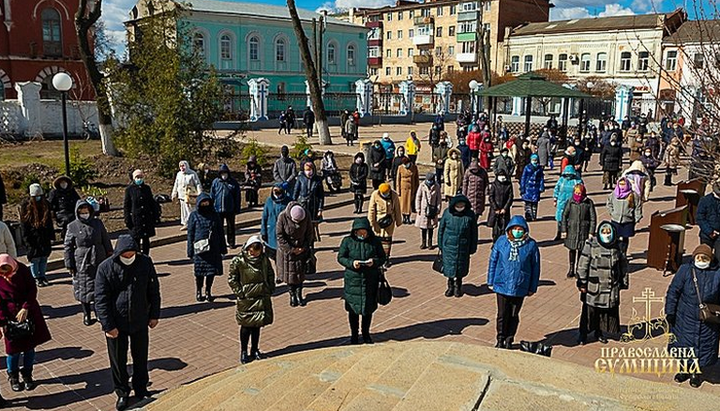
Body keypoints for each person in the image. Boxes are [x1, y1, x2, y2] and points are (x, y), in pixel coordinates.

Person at [95, 235, 161, 410]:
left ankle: (141, 388)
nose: (129, 257)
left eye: (132, 254)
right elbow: (101, 299)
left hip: (139, 320)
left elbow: (153, 289)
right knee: (118, 360)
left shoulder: (145, 262)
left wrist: (154, 314)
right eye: (126, 255)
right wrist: (108, 326)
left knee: (141, 357)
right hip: (116, 324)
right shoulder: (105, 268)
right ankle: (122, 392)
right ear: (119, 254)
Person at [665, 244, 720, 388]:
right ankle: (683, 369)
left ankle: (695, 372)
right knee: (684, 345)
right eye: (699, 257)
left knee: (701, 347)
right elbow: (673, 291)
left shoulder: (717, 274)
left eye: (705, 258)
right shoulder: (685, 270)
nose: (701, 260)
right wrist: (670, 312)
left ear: (710, 259)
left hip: (707, 320)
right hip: (685, 317)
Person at [0, 254, 51, 395]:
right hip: (10, 316)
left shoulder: (22, 270)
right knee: (12, 350)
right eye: (2, 273)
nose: (5, 276)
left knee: (29, 348)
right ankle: (13, 376)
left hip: (28, 313)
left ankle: (28, 374)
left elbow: (32, 290)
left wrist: (26, 307)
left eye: (7, 271)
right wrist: (2, 321)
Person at [487, 216, 540, 349]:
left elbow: (536, 267)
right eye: (515, 228)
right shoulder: (501, 241)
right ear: (510, 229)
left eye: (520, 229)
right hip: (502, 284)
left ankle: (509, 339)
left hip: (520, 285)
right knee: (502, 314)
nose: (517, 231)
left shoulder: (531, 245)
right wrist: (490, 280)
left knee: (514, 314)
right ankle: (500, 338)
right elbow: (493, 261)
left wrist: (532, 287)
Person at [576, 222, 628, 345]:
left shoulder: (618, 246)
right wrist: (582, 283)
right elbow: (583, 264)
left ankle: (599, 332)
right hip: (594, 286)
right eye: (603, 232)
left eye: (608, 232)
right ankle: (583, 334)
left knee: (604, 313)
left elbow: (623, 266)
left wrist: (623, 282)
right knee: (589, 312)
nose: (606, 234)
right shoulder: (591, 244)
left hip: (610, 287)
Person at [337, 217, 387, 344]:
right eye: (359, 232)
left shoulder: (374, 241)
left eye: (364, 232)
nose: (362, 235)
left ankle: (366, 333)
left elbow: (382, 257)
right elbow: (341, 257)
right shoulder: (347, 241)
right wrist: (352, 263)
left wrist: (374, 262)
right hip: (353, 281)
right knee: (352, 310)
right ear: (354, 232)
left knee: (368, 310)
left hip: (370, 280)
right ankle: (354, 335)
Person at [64, 199, 113, 326]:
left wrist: (109, 253)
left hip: (99, 257)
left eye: (86, 211)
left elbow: (105, 239)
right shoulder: (72, 226)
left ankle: (99, 312)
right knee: (83, 287)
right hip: (82, 261)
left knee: (100, 287)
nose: (84, 214)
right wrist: (69, 264)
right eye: (82, 212)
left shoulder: (97, 223)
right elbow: (68, 246)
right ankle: (86, 314)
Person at [228, 235, 275, 363]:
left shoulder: (264, 259)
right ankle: (243, 351)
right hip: (247, 299)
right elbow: (232, 278)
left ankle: (254, 349)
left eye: (257, 250)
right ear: (248, 248)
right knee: (246, 326)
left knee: (257, 325)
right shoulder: (239, 261)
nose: (254, 253)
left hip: (261, 296)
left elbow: (270, 273)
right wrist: (240, 292)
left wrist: (270, 288)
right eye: (252, 250)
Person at [187, 193, 227, 302]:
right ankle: (199, 291)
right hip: (199, 250)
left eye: (207, 202)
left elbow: (220, 232)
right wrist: (190, 251)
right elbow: (190, 234)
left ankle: (208, 291)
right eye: (203, 202)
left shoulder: (215, 215)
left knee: (211, 272)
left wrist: (223, 248)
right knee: (199, 273)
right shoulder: (194, 216)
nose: (205, 204)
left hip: (213, 249)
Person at [438, 194, 477, 298]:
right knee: (449, 267)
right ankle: (450, 286)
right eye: (458, 204)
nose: (460, 206)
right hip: (449, 247)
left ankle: (458, 286)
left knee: (460, 268)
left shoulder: (469, 215)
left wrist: (473, 247)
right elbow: (441, 229)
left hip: (463, 246)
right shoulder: (447, 213)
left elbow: (474, 232)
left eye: (462, 204)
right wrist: (440, 244)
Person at [276, 203, 313, 307]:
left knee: (300, 274)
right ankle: (292, 295)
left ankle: (299, 295)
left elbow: (309, 233)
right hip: (287, 252)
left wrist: (304, 247)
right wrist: (291, 249)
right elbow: (280, 236)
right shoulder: (282, 216)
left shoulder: (306, 215)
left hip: (301, 250)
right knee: (290, 275)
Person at [20, 184, 54, 287]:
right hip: (32, 236)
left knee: (44, 257)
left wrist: (51, 235)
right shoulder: (26, 206)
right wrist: (26, 239)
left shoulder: (45, 204)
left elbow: (49, 222)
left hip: (44, 235)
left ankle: (43, 275)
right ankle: (36, 277)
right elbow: (24, 224)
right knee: (35, 259)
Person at [561, 184, 597, 278]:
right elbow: (564, 216)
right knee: (572, 250)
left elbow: (593, 218)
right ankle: (571, 268)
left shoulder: (588, 203)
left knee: (582, 251)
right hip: (572, 230)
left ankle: (579, 269)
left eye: (580, 193)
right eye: (576, 193)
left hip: (583, 231)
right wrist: (564, 230)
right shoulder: (570, 202)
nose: (578, 195)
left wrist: (591, 232)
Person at [123, 170, 159, 255]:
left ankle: (146, 257)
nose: (139, 179)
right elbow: (127, 206)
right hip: (136, 220)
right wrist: (127, 219)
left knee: (146, 240)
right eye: (137, 177)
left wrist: (155, 216)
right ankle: (138, 258)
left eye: (141, 177)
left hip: (146, 218)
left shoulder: (147, 188)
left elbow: (151, 203)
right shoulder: (129, 190)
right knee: (136, 240)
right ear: (133, 178)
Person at [368, 183, 402, 268]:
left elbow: (397, 208)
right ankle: (377, 257)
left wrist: (398, 221)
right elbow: (371, 209)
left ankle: (386, 258)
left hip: (389, 220)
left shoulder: (394, 195)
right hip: (378, 221)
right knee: (378, 239)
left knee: (387, 239)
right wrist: (370, 223)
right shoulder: (375, 195)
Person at [606, 177, 641, 256]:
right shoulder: (613, 194)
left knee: (625, 238)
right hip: (616, 220)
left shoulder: (633, 195)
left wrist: (637, 218)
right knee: (615, 237)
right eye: (620, 184)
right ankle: (616, 252)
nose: (622, 186)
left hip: (628, 220)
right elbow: (609, 204)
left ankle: (623, 253)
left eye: (624, 184)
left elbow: (638, 207)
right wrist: (612, 213)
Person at [210, 164, 241, 249]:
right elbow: (212, 195)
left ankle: (231, 242)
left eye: (225, 173)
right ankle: (220, 243)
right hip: (218, 209)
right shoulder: (216, 182)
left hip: (230, 209)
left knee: (231, 227)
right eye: (222, 173)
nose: (224, 175)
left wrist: (237, 208)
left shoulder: (233, 182)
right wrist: (210, 208)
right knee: (219, 228)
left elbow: (237, 196)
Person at [293, 162, 325, 242]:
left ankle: (311, 242)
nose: (308, 171)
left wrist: (320, 209)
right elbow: (296, 192)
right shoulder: (300, 178)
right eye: (306, 170)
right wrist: (293, 204)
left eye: (310, 169)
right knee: (302, 225)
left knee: (311, 226)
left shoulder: (317, 180)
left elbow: (321, 195)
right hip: (302, 204)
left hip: (313, 206)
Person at [260, 183, 291, 262]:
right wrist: (263, 232)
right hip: (271, 231)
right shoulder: (269, 201)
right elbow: (264, 217)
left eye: (279, 191)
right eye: (275, 190)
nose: (277, 193)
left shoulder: (288, 201)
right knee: (273, 254)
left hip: (284, 231)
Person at [553, 165, 583, 241]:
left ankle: (569, 234)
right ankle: (559, 233)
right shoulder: (561, 180)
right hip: (561, 202)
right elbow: (556, 189)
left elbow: (581, 190)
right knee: (560, 218)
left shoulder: (577, 181)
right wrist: (555, 198)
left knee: (570, 219)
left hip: (572, 202)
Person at [171, 161, 203, 229]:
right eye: (180, 166)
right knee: (183, 210)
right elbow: (176, 184)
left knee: (190, 209)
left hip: (190, 195)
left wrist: (200, 194)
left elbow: (197, 184)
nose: (182, 168)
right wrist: (174, 193)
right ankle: (185, 223)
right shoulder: (179, 174)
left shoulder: (192, 174)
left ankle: (193, 223)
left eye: (183, 166)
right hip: (182, 195)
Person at [416, 173, 442, 250]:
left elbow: (439, 199)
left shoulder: (437, 186)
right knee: (423, 227)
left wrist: (438, 209)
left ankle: (430, 242)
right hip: (423, 209)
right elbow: (418, 197)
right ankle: (423, 242)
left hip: (433, 209)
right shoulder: (422, 185)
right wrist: (418, 209)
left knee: (431, 227)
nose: (429, 181)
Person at [488, 170, 514, 242]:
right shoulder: (494, 185)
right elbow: (491, 197)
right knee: (495, 228)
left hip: (505, 210)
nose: (502, 177)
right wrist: (495, 208)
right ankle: (495, 242)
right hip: (495, 211)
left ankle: (504, 241)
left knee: (505, 227)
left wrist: (505, 208)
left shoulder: (508, 185)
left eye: (503, 175)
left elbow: (510, 197)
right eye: (500, 175)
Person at [697, 182, 720, 261]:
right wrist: (709, 231)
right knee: (705, 258)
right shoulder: (705, 200)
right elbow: (700, 218)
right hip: (706, 235)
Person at [520, 154, 545, 222]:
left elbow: (541, 178)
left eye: (536, 160)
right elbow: (523, 178)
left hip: (536, 188)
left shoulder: (539, 168)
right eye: (533, 160)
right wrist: (522, 188)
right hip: (528, 187)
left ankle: (534, 216)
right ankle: (528, 216)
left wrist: (541, 186)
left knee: (535, 203)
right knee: (528, 203)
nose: (535, 161)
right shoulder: (527, 167)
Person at [396, 157, 419, 225]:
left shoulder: (414, 167)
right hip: (403, 188)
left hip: (411, 188)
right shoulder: (400, 168)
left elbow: (416, 178)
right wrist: (398, 190)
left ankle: (408, 217)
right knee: (403, 204)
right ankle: (404, 217)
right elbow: (398, 179)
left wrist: (416, 188)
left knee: (409, 204)